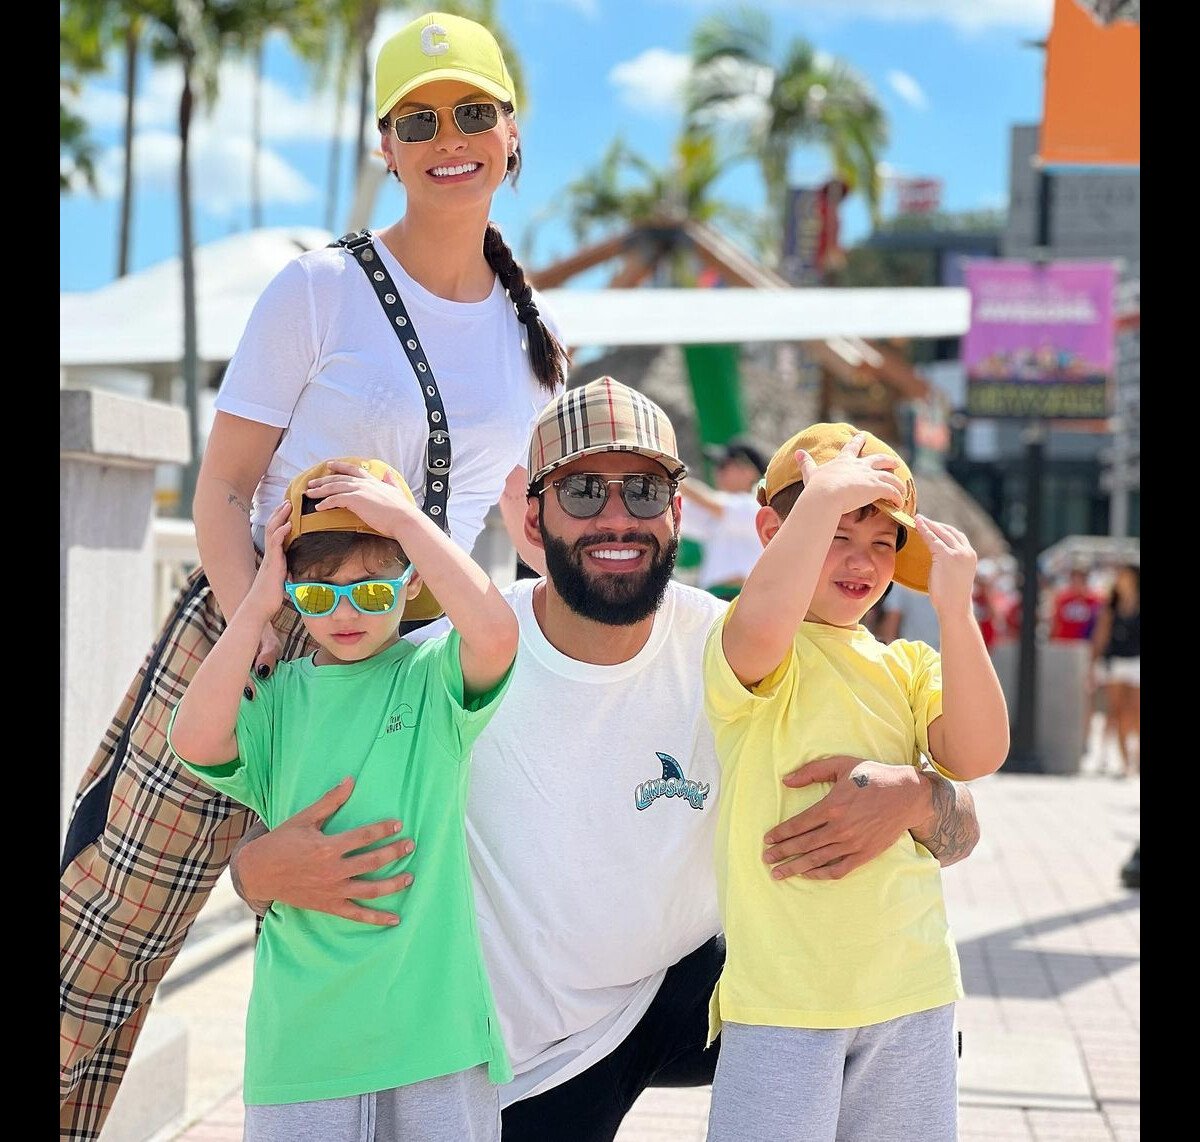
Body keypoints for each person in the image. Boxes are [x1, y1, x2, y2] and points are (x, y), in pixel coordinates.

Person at [230, 379, 986, 1141]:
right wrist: (252, 874)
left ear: (678, 513)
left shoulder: (747, 642)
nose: (618, 516)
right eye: (585, 491)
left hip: (687, 989)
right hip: (528, 1051)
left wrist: (922, 798)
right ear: (535, 515)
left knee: (886, 998)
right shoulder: (440, 667)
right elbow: (297, 809)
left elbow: (956, 795)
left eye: (645, 490)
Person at [59, 13, 567, 1138]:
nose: (450, 138)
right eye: (419, 119)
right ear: (384, 144)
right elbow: (219, 488)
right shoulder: (317, 290)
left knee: (381, 918)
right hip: (256, 639)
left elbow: (522, 536)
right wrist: (264, 633)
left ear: (511, 132)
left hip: (410, 676)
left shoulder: (534, 348)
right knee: (109, 930)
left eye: (471, 112)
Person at [169, 457, 516, 1139]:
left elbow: (496, 633)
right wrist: (255, 605)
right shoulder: (279, 701)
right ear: (293, 594)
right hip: (301, 1041)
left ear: (410, 580)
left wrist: (406, 523)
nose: (348, 611)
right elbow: (195, 738)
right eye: (319, 595)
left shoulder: (431, 679)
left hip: (431, 1034)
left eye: (372, 590)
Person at [702, 422, 1009, 1142]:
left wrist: (956, 612)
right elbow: (758, 630)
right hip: (782, 998)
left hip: (912, 985)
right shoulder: (751, 643)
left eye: (881, 543)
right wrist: (818, 507)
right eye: (838, 532)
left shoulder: (905, 665)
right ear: (772, 529)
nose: (861, 561)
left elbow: (977, 751)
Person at [679, 436, 769, 600]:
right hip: (716, 597)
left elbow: (711, 502)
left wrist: (676, 479)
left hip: (742, 597)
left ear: (748, 471)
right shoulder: (719, 512)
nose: (717, 471)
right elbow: (678, 512)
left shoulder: (757, 504)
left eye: (724, 465)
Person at [1090, 563, 1140, 778]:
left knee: (1135, 712)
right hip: (1115, 662)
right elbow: (1101, 637)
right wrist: (1093, 664)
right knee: (1117, 712)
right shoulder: (1111, 606)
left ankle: (1134, 755)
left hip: (1136, 661)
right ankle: (1126, 762)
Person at [876, 579, 943, 650]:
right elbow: (892, 620)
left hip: (935, 654)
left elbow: (892, 621)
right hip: (914, 655)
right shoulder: (904, 582)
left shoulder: (904, 581)